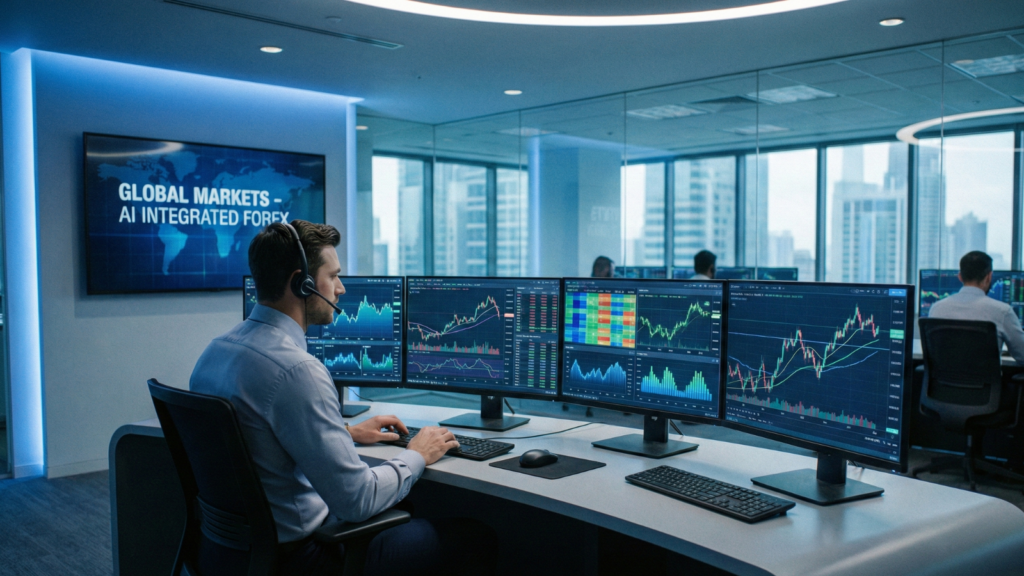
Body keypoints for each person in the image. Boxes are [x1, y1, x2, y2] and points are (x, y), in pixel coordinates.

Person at [190, 220, 496, 576]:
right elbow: (357, 501)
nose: (341, 289)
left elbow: (254, 439)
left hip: (228, 553)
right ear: (301, 284)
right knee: (477, 536)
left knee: (407, 502)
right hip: (302, 559)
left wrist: (345, 433)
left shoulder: (215, 352)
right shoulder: (295, 370)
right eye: (333, 276)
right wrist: (417, 454)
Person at [928, 250, 1024, 363]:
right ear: (989, 276)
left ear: (960, 277)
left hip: (943, 380)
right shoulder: (1003, 311)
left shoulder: (936, 308)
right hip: (985, 381)